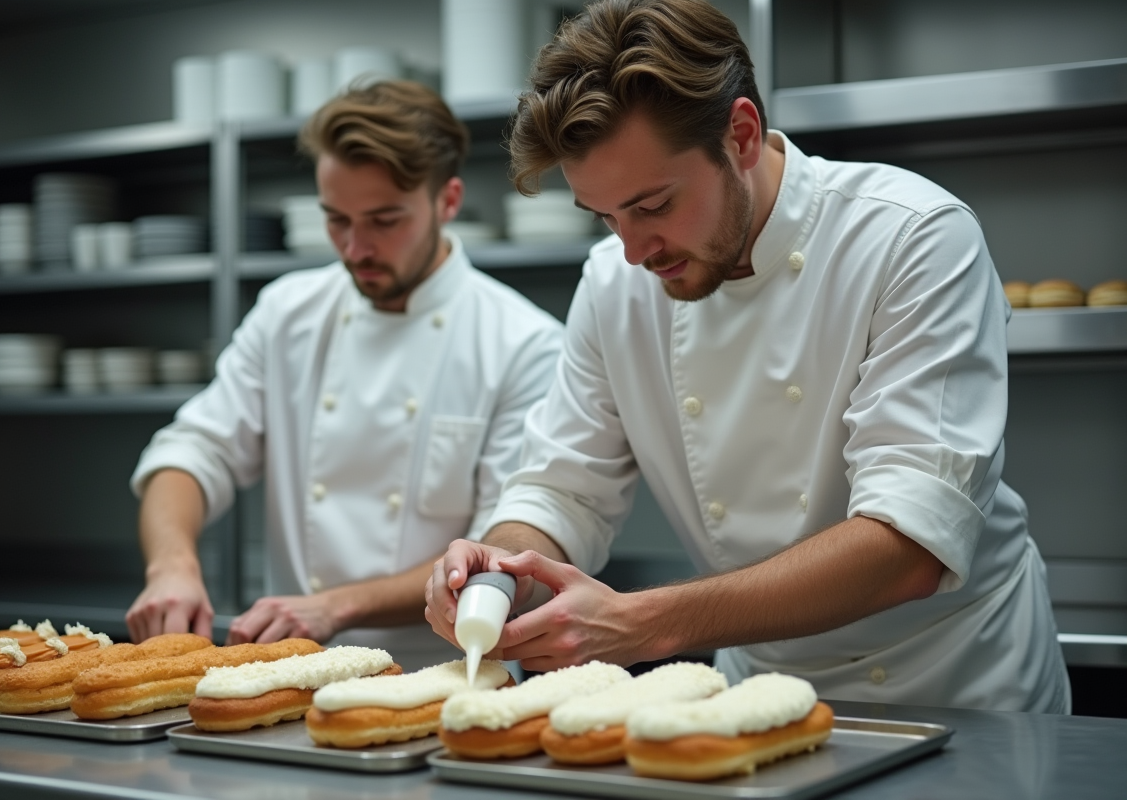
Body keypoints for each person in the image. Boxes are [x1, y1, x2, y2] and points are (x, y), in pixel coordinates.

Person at [425, 0, 1070, 712]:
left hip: (960, 684)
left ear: (740, 134)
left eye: (652, 205)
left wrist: (644, 624)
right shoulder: (613, 283)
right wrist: (499, 567)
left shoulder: (912, 238)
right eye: (605, 217)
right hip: (761, 692)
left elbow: (908, 547)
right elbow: (562, 489)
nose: (633, 250)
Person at [127, 80, 563, 670]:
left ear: (448, 200)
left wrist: (335, 607)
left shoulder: (522, 342)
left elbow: (494, 555)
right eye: (336, 220)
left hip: (447, 670)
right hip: (294, 668)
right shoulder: (289, 313)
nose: (356, 248)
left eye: (385, 220)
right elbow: (194, 450)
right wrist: (172, 566)